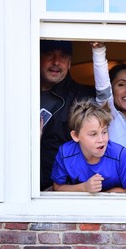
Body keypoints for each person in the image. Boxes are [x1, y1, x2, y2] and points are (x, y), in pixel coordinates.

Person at [51, 98, 126, 193]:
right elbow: (57, 187)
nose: (101, 140)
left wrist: (100, 197)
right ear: (75, 136)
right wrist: (84, 188)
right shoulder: (65, 153)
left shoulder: (119, 154)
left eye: (104, 132)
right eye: (93, 134)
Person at [40, 40, 96, 191]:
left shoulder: (81, 98)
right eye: (49, 54)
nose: (56, 62)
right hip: (25, 186)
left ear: (70, 62)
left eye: (63, 56)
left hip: (64, 189)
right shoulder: (23, 90)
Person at [91, 42, 126, 146]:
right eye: (121, 84)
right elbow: (103, 90)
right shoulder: (110, 116)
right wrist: (99, 51)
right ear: (111, 89)